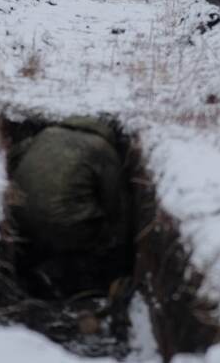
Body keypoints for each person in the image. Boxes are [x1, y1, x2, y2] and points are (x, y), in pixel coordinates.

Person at [8, 117, 129, 297]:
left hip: (18, 218)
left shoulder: (46, 134)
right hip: (66, 228)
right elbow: (113, 205)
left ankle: (30, 267)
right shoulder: (102, 149)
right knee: (102, 236)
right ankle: (61, 273)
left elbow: (12, 157)